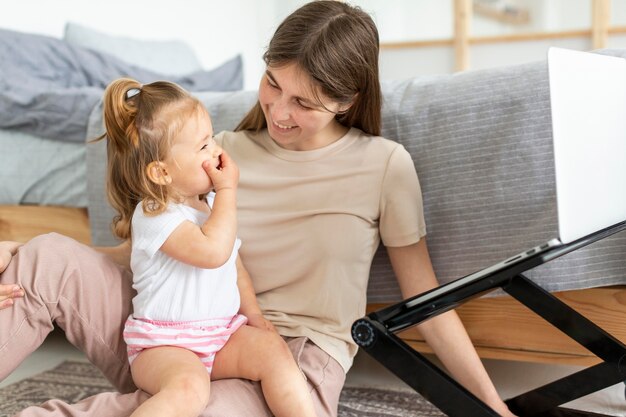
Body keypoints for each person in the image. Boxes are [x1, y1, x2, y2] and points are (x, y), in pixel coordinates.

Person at [0, 2, 517, 416]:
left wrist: (493, 407)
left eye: (305, 103)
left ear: (346, 99)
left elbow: (426, 298)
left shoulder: (384, 166)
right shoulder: (219, 150)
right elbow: (149, 248)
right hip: (169, 336)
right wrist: (22, 251)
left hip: (284, 359)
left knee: (192, 408)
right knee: (45, 258)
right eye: (273, 83)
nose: (280, 112)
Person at [98, 77, 319, 417]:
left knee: (274, 352)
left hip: (221, 333)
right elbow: (212, 253)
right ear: (161, 173)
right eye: (203, 147)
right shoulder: (156, 214)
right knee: (190, 389)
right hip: (165, 344)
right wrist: (229, 192)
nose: (217, 152)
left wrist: (254, 315)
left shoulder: (210, 204)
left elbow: (233, 263)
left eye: (212, 138)